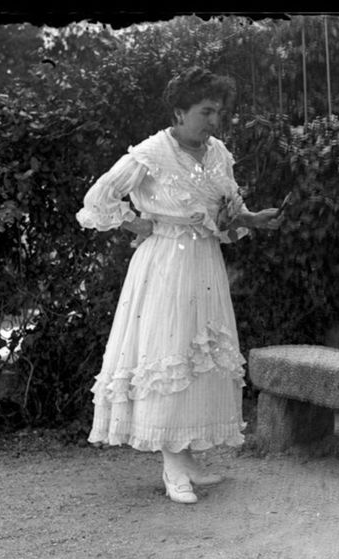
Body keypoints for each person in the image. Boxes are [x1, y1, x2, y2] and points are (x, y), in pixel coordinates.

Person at [76, 66, 281, 504]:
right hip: (166, 263)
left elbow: (227, 211)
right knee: (169, 354)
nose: (215, 121)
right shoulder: (151, 153)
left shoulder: (218, 153)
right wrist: (135, 224)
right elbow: (98, 198)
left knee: (200, 354)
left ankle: (186, 458)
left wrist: (250, 218)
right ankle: (172, 466)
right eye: (206, 111)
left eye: (220, 112)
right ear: (178, 111)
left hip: (205, 263)